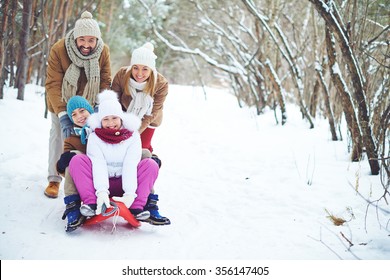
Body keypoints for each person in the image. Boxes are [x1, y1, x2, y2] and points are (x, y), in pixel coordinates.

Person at [68, 90, 169, 227]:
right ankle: (91, 204)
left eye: (114, 118)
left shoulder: (132, 136)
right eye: (105, 119)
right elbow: (98, 164)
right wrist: (102, 192)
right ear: (100, 120)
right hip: (100, 185)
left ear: (121, 118)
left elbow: (130, 164)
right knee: (77, 160)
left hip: (125, 182)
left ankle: (137, 207)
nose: (110, 123)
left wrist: (129, 194)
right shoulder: (94, 137)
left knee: (150, 164)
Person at [44, 11, 112, 198]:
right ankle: (54, 179)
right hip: (62, 101)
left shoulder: (103, 51)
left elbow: (105, 79)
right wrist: (63, 114)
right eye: (82, 40)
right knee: (59, 134)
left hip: (89, 103)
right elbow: (53, 84)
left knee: (90, 139)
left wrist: (100, 106)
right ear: (75, 37)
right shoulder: (59, 49)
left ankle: (84, 179)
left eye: (91, 40)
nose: (86, 45)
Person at [111, 42, 169, 224]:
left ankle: (149, 202)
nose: (139, 73)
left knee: (143, 152)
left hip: (147, 121)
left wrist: (133, 132)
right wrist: (120, 128)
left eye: (145, 69)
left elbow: (152, 113)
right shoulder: (122, 75)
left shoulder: (160, 83)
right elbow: (113, 103)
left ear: (151, 70)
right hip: (122, 116)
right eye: (135, 67)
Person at [56, 96, 94, 232]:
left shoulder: (104, 125)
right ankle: (73, 206)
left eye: (82, 110)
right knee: (73, 158)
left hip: (109, 175)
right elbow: (65, 170)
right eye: (74, 114)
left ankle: (146, 202)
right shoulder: (71, 139)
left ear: (90, 110)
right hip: (86, 178)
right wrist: (62, 164)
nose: (79, 116)